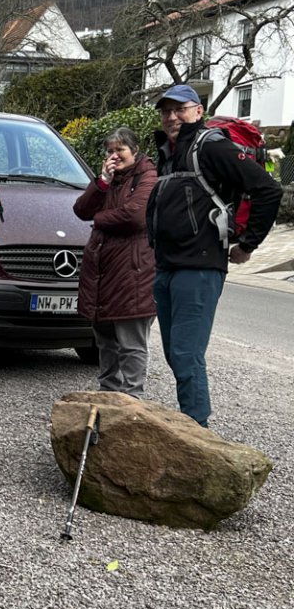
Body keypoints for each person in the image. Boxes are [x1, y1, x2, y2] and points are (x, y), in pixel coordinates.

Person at [146, 84, 281, 427]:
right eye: (166, 111)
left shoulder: (212, 146)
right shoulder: (169, 152)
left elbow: (267, 189)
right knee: (175, 354)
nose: (172, 116)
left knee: (186, 354)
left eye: (180, 109)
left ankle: (197, 433)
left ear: (198, 111)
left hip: (200, 266)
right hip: (167, 266)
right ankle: (192, 427)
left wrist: (248, 245)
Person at [73, 127, 158, 398]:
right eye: (110, 151)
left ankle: (132, 399)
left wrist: (99, 219)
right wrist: (101, 183)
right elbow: (81, 209)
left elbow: (135, 217)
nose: (114, 156)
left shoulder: (148, 176)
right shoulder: (109, 181)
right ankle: (108, 393)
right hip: (103, 272)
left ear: (134, 151)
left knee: (131, 342)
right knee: (106, 340)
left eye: (120, 150)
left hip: (133, 272)